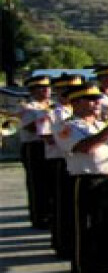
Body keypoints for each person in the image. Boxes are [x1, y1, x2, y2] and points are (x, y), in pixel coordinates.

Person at [55, 80, 108, 273]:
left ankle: (107, 267)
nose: (97, 102)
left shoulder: (104, 124)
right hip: (87, 182)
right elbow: (85, 147)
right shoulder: (66, 126)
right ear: (76, 103)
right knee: (86, 231)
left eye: (98, 99)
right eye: (91, 99)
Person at [46, 75, 76, 260]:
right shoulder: (52, 113)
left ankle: (74, 242)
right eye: (66, 91)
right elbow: (48, 137)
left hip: (76, 161)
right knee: (61, 205)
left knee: (75, 206)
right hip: (59, 160)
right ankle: (62, 244)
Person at [19, 75, 54, 230]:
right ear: (33, 91)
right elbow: (30, 127)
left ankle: (52, 214)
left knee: (51, 182)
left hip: (53, 145)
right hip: (34, 146)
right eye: (41, 88)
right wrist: (46, 117)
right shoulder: (28, 107)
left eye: (47, 87)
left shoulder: (53, 105)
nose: (46, 90)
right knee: (37, 183)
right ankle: (39, 217)